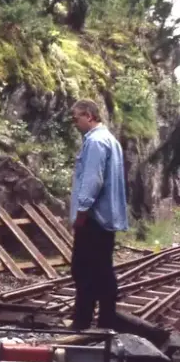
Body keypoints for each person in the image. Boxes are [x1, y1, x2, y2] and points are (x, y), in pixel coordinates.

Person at [68, 99, 128, 330]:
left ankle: (82, 321)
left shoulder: (95, 142)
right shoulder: (110, 140)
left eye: (76, 118)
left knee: (82, 269)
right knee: (102, 269)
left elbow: (93, 180)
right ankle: (105, 321)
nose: (75, 123)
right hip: (106, 217)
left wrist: (82, 211)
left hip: (94, 217)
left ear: (89, 115)